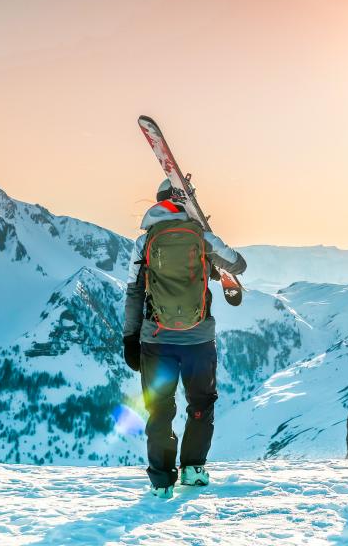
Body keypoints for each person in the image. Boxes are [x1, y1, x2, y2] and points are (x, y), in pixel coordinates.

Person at [122, 179, 246, 499]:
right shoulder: (202, 237)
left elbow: (135, 293)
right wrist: (210, 251)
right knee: (201, 404)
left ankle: (162, 481)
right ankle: (193, 469)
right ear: (187, 204)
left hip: (156, 339)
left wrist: (130, 338)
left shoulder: (144, 242)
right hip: (199, 340)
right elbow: (238, 265)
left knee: (160, 409)